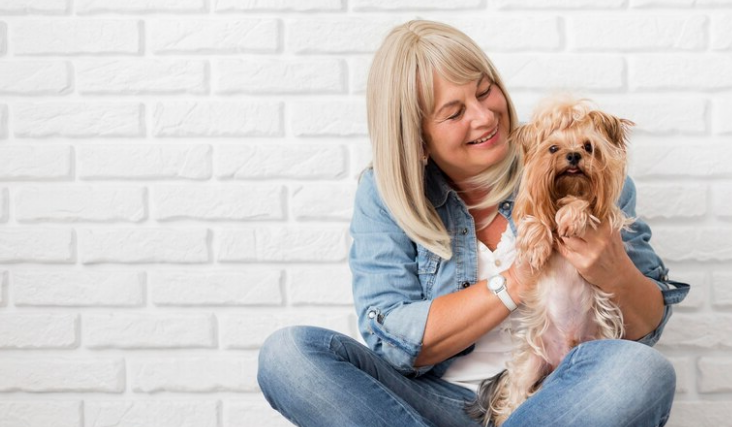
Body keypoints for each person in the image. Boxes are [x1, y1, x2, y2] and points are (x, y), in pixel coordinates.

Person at [257, 20, 689, 427]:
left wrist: (611, 268)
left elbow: (644, 330)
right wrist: (516, 282)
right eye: (453, 112)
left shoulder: (580, 172)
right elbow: (392, 341)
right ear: (417, 137)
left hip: (557, 397)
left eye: (485, 91)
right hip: (425, 402)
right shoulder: (385, 194)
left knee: (640, 371)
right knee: (289, 355)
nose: (484, 117)